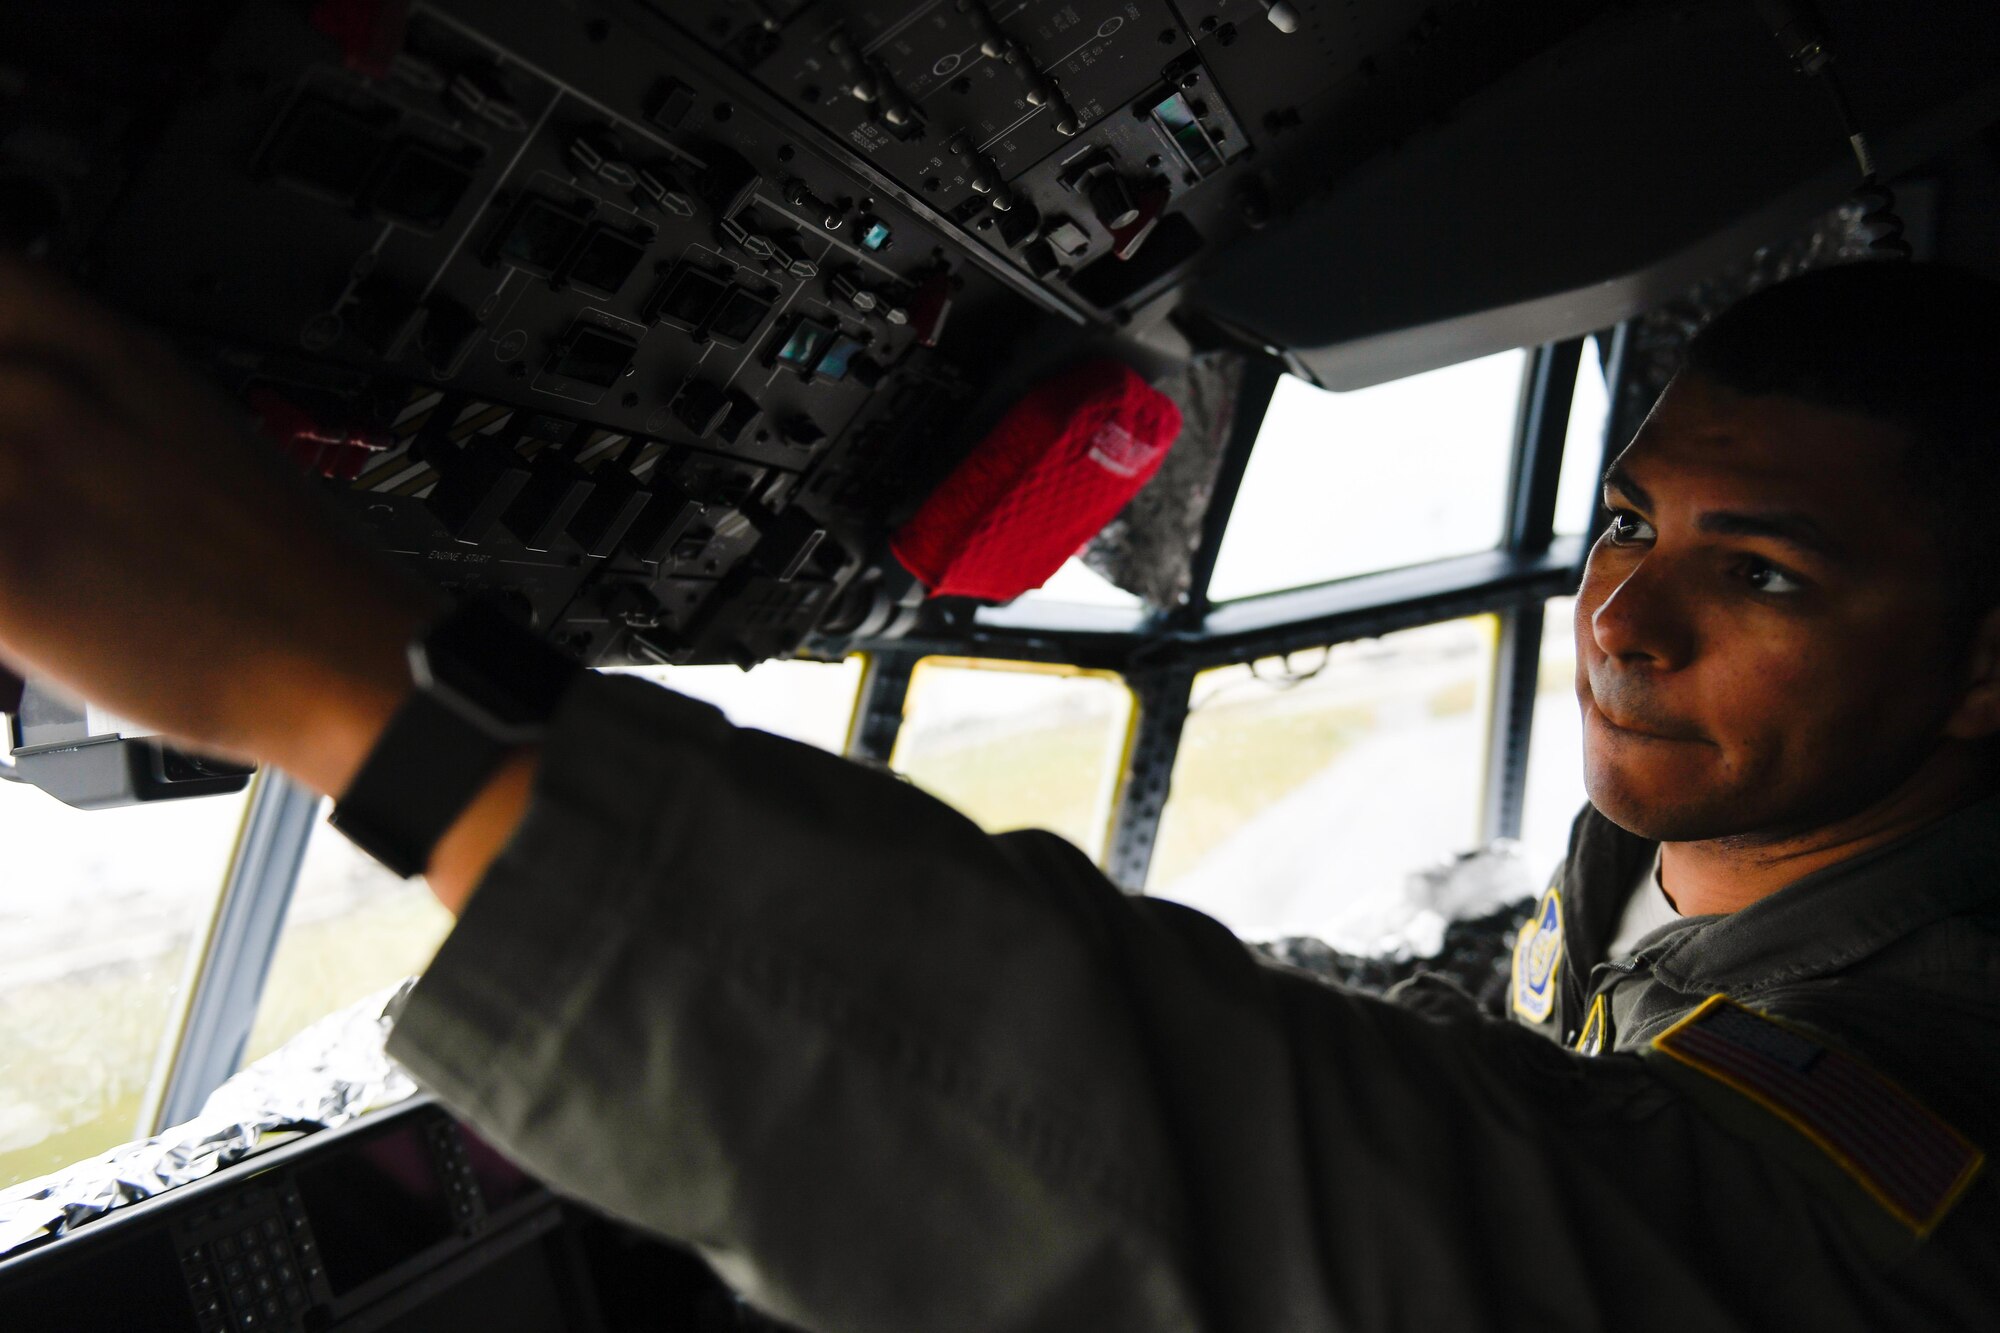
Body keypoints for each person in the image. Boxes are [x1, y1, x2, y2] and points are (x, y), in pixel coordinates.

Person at [0, 255, 1996, 1330]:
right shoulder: (1674, 862)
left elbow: (1456, 1224)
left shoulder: (1933, 1083)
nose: (1623, 619)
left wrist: (354, 695)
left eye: (1765, 575)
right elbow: (1511, 1060)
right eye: (1626, 521)